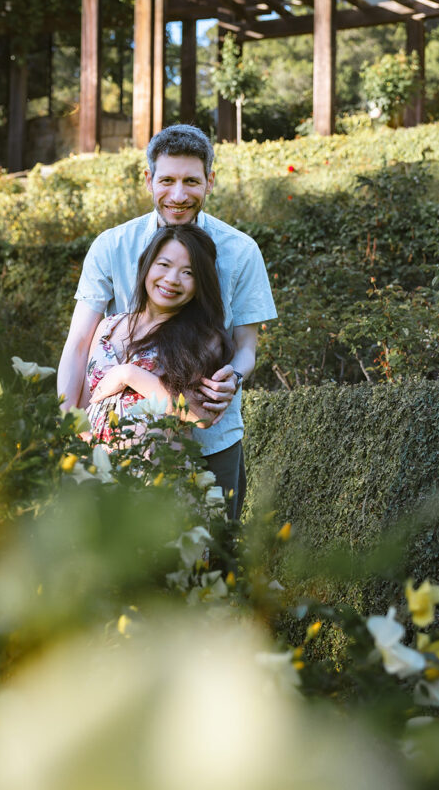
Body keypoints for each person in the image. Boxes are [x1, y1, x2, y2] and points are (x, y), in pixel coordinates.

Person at [58, 124, 276, 519]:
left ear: (210, 181)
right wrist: (70, 424)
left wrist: (235, 376)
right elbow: (78, 345)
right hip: (113, 446)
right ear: (149, 180)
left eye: (191, 181)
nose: (178, 195)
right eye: (168, 180)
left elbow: (246, 347)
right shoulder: (112, 246)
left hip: (211, 440)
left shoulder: (240, 251)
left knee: (211, 563)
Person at [83, 223, 233, 442]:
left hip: (157, 473)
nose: (172, 279)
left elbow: (199, 416)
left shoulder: (202, 339)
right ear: (147, 266)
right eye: (164, 264)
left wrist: (128, 375)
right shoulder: (108, 326)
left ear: (200, 284)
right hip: (98, 471)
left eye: (188, 272)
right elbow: (90, 403)